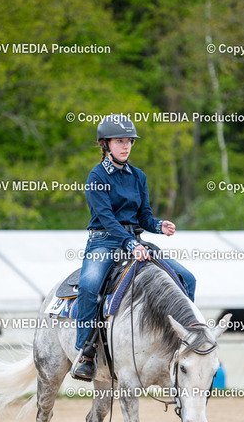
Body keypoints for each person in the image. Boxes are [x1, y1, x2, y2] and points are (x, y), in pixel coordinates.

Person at [71, 114, 196, 381]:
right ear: (105, 144)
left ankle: (184, 344)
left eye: (129, 141)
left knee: (187, 278)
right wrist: (129, 243)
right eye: (120, 141)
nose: (126, 146)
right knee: (89, 286)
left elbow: (144, 217)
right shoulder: (96, 176)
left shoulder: (138, 176)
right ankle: (86, 352)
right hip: (104, 241)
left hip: (135, 241)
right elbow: (106, 218)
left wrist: (159, 225)